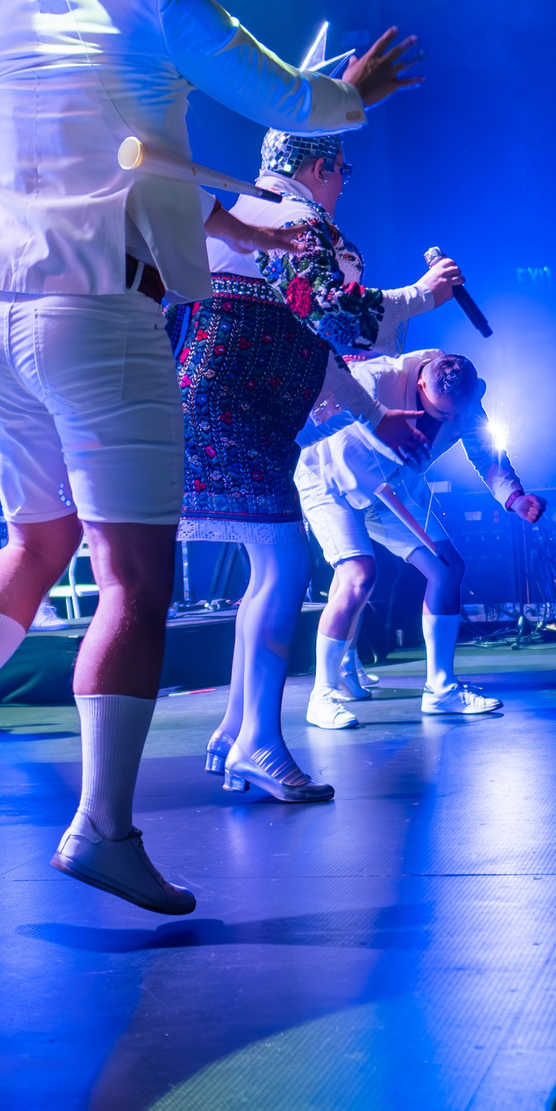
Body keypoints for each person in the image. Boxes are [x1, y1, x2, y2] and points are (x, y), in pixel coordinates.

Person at [0, 0, 421, 914]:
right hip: (96, 312)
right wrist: (347, 95)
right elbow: (273, 94)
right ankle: (102, 828)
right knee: (134, 579)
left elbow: (115, 148)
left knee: (36, 541)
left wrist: (230, 223)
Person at [173, 104, 455, 801]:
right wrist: (423, 296)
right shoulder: (301, 223)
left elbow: (311, 345)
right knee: (285, 562)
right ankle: (260, 746)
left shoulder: (243, 212)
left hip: (215, 400)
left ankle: (236, 729)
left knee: (266, 566)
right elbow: (346, 325)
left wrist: (372, 413)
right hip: (241, 405)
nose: (342, 186)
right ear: (321, 166)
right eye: (341, 171)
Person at [299, 350, 545, 724]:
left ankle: (442, 690)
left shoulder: (465, 399)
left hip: (393, 488)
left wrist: (515, 497)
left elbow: (485, 454)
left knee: (447, 569)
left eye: (452, 415)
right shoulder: (374, 378)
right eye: (439, 411)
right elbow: (312, 416)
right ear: (420, 384)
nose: (446, 420)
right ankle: (323, 695)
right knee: (359, 575)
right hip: (330, 481)